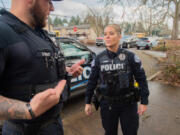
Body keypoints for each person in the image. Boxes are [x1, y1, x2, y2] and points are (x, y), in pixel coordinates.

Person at [0, 0, 85, 135]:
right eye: (49, 1)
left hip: (54, 124)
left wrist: (67, 71)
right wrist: (28, 110)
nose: (52, 8)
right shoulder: (3, 31)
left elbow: (37, 70)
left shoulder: (40, 34)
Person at [85, 24, 149, 135]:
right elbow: (91, 82)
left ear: (119, 36)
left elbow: (142, 80)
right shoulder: (99, 59)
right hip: (107, 104)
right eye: (105, 34)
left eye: (111, 33)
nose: (107, 37)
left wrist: (144, 101)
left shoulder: (130, 57)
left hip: (128, 104)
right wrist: (88, 102)